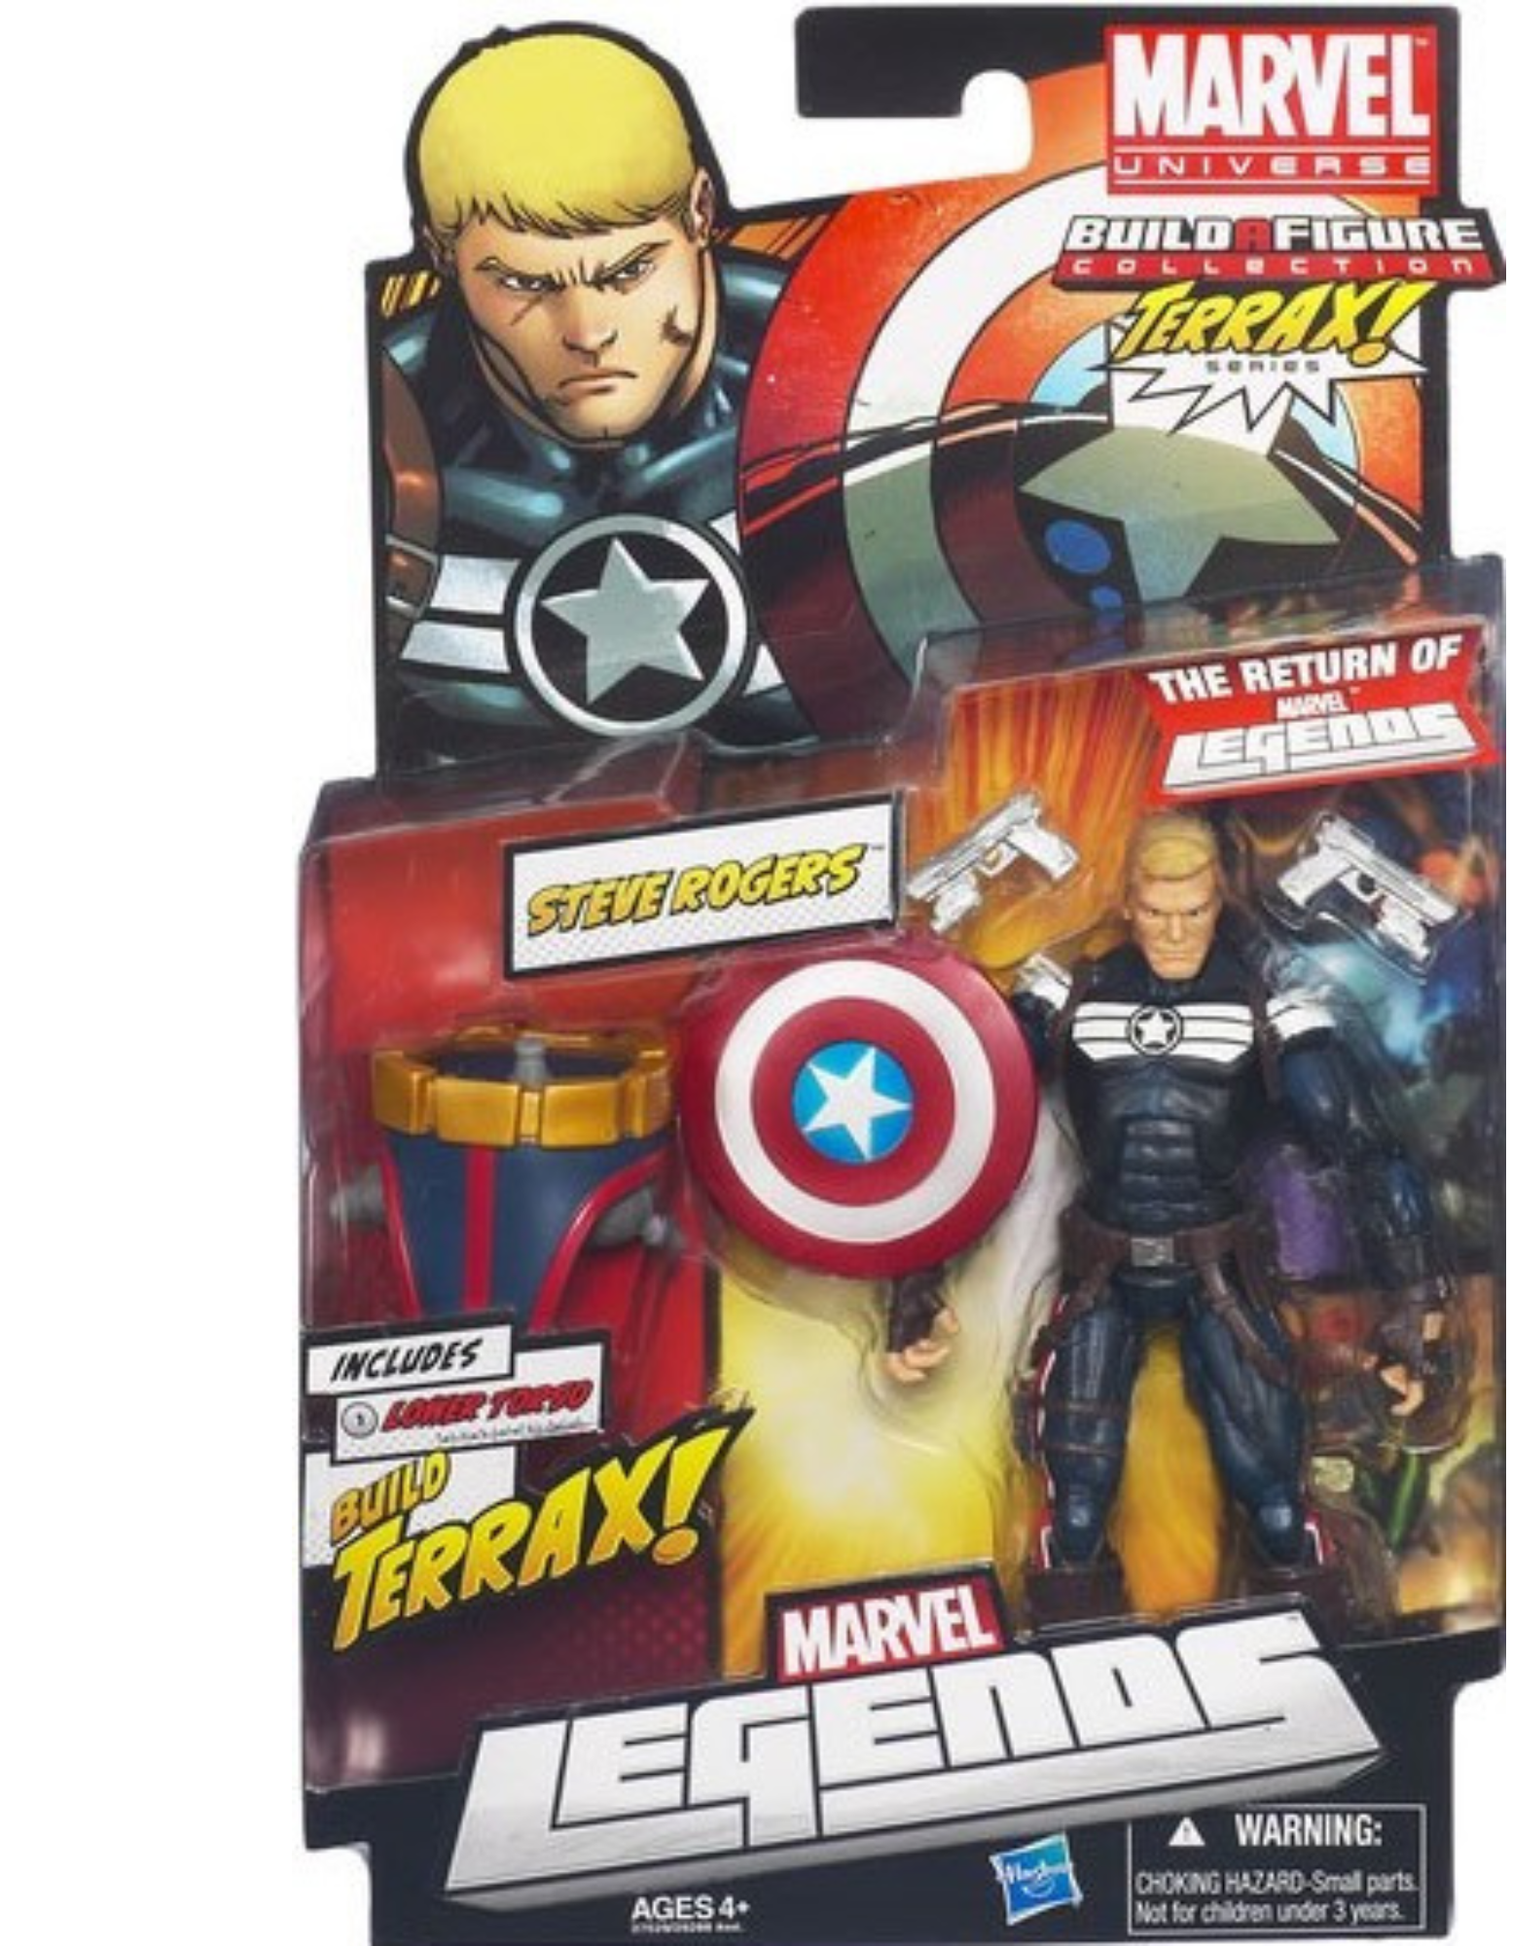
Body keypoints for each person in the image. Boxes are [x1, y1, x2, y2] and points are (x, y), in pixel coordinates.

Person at [891, 812, 1461, 1629]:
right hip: (1101, 1269)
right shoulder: (1070, 989)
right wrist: (917, 1279)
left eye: (1193, 912)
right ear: (1128, 903)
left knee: (1276, 1506)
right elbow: (972, 1130)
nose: (1174, 933)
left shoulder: (1270, 1002)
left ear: (1218, 900)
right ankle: (1076, 1667)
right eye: (1157, 913)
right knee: (1074, 1517)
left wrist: (1413, 1304)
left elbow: (1367, 1149)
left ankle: (1324, 1652)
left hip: (1219, 1268)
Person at [377, 26, 799, 758]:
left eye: (628, 272)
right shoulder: (380, 433)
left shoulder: (861, 359)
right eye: (524, 284)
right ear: (443, 257)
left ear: (701, 212)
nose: (587, 331)